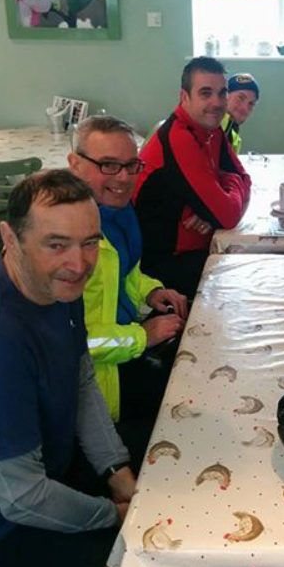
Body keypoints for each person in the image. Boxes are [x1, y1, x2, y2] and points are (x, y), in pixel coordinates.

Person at [0, 170, 136, 567]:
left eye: (90, 242)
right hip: (3, 531)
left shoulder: (57, 286)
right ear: (10, 238)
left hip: (55, 472)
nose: (79, 264)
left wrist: (118, 472)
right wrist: (113, 513)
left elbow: (80, 379)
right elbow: (22, 498)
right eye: (56, 244)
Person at [68, 115, 188, 426]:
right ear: (75, 164)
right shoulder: (66, 243)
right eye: (108, 165)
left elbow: (124, 275)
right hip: (90, 392)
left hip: (122, 354)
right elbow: (71, 344)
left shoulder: (117, 210)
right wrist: (141, 337)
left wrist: (151, 291)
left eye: (131, 165)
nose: (123, 178)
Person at [134, 57, 252, 298]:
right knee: (248, 280)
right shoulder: (179, 137)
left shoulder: (212, 130)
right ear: (184, 97)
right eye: (205, 93)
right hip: (161, 268)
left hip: (197, 247)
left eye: (222, 93)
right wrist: (225, 189)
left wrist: (215, 204)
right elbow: (229, 214)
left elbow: (245, 180)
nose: (216, 102)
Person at [221, 72, 260, 153]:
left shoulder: (234, 136)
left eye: (251, 104)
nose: (244, 108)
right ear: (225, 95)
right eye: (240, 98)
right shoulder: (210, 126)